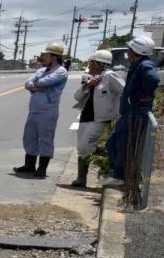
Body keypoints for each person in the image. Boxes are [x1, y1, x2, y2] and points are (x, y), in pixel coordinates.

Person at [103, 36, 160, 187]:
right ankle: (123, 175)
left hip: (135, 113)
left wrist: (144, 96)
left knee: (121, 143)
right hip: (131, 112)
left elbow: (153, 79)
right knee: (115, 143)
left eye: (129, 50)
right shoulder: (139, 64)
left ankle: (121, 176)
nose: (127, 53)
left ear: (135, 51)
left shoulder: (145, 65)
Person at [70, 49, 123, 188]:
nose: (89, 65)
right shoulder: (91, 77)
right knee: (82, 149)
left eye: (91, 62)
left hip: (99, 119)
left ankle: (109, 160)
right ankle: (81, 179)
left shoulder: (110, 76)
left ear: (100, 63)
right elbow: (77, 96)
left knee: (85, 147)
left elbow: (123, 91)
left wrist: (117, 110)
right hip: (85, 117)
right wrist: (88, 85)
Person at [16, 42, 69, 178]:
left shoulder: (61, 71)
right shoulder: (41, 71)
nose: (43, 57)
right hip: (34, 109)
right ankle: (29, 165)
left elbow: (44, 82)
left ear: (54, 57)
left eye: (46, 54)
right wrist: (36, 86)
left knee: (46, 139)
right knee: (30, 137)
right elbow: (28, 83)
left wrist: (37, 86)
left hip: (48, 110)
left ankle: (42, 168)